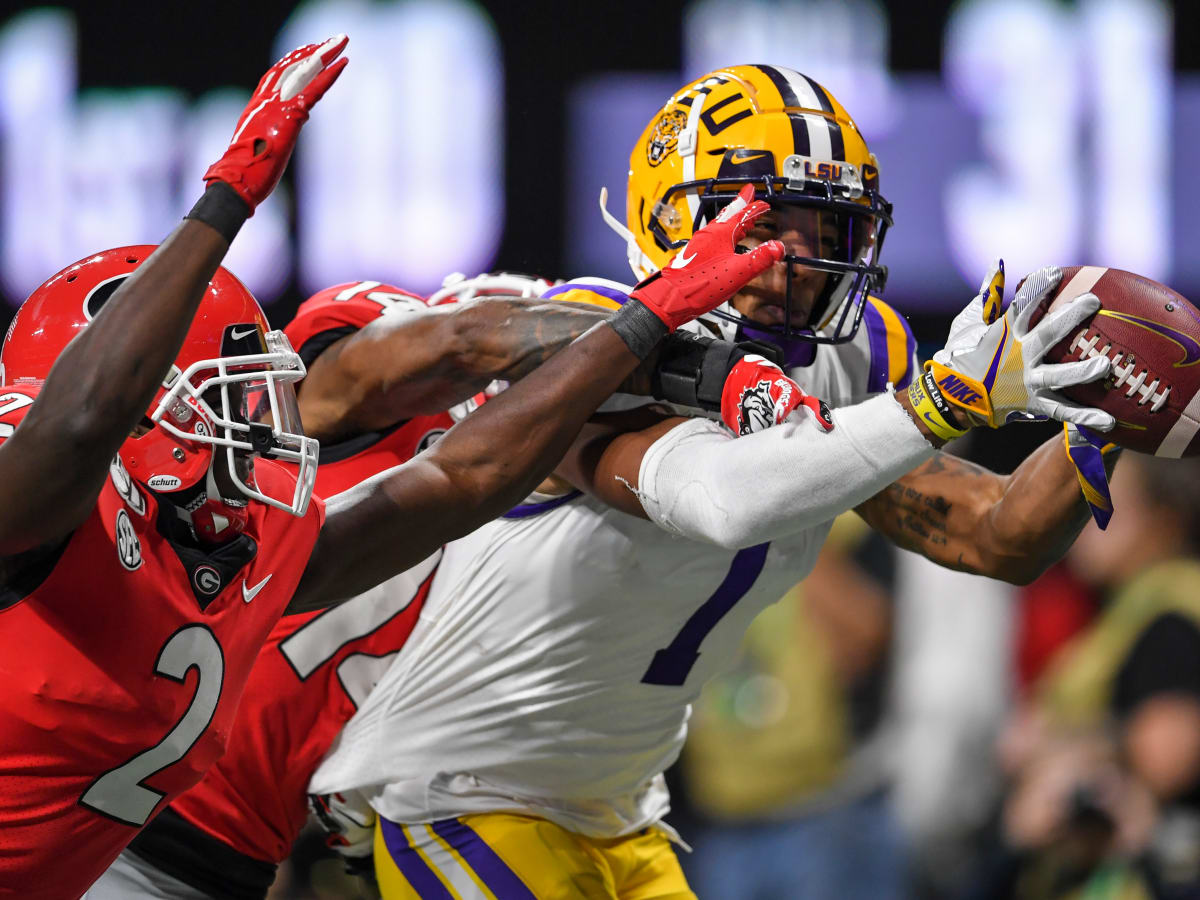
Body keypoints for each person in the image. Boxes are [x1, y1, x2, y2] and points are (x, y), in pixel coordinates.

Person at [305, 65, 1119, 899]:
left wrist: (1110, 410)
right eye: (769, 222)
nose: (796, 259)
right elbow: (722, 497)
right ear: (670, 218)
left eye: (823, 228)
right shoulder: (597, 342)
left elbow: (995, 534)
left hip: (617, 814)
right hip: (460, 791)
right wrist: (936, 404)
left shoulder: (853, 360)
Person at [0, 36, 785, 898]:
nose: (265, 421)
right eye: (236, 394)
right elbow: (74, 431)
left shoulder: (241, 548)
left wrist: (644, 323)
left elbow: (459, 481)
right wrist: (225, 200)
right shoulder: (38, 510)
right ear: (143, 400)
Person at [85, 273, 655, 900]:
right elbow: (448, 344)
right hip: (118, 815)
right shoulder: (287, 453)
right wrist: (663, 331)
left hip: (233, 847)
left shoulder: (503, 502)